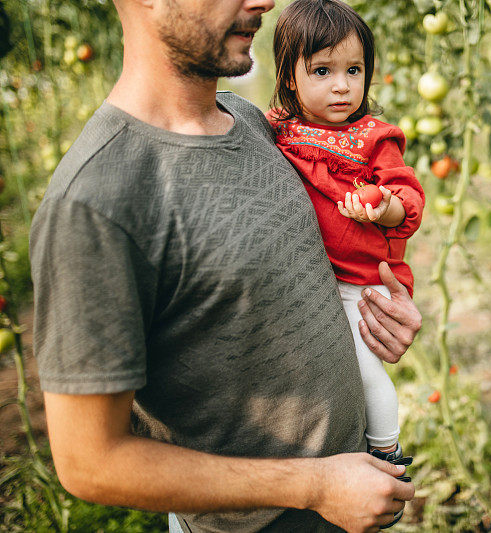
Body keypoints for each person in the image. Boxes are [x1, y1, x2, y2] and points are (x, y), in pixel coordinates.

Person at [29, 0, 420, 532]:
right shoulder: (98, 202)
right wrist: (315, 486)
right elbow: (89, 463)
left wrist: (374, 315)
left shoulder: (255, 124)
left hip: (352, 488)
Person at [266, 4, 424, 523]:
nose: (341, 87)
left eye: (353, 71)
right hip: (314, 281)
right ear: (290, 79)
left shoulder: (374, 139)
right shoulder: (278, 131)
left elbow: (407, 195)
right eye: (322, 71)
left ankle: (386, 455)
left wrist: (381, 204)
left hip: (360, 284)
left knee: (365, 371)